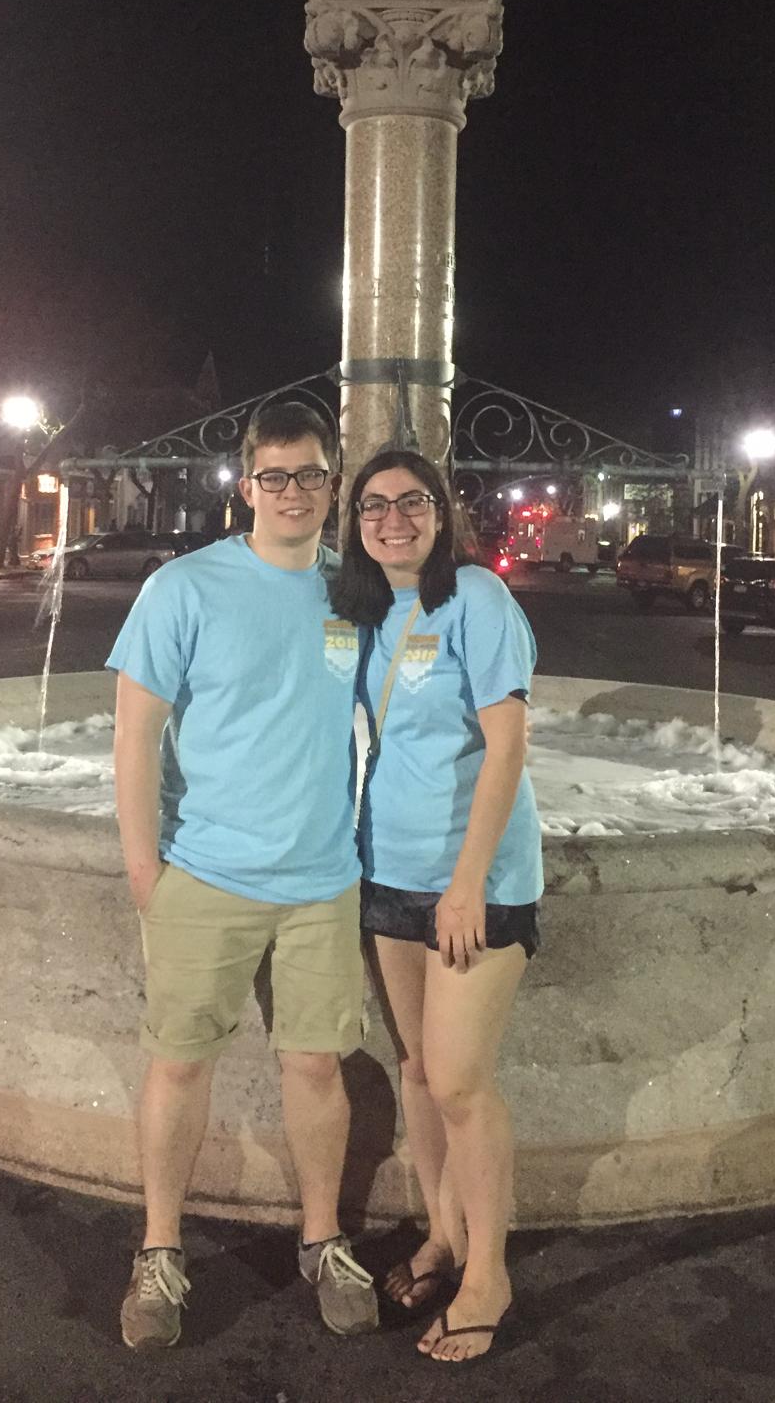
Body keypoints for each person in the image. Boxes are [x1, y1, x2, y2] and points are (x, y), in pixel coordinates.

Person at [107, 399, 378, 1352]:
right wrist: (145, 869)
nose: (293, 492)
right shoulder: (185, 587)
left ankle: (323, 1239)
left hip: (322, 878)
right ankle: (159, 1250)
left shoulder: (355, 591)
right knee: (180, 1061)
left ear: (332, 483)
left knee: (317, 1065)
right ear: (246, 485)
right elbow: (134, 736)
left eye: (310, 475)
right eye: (274, 476)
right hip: (206, 870)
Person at [332, 447, 541, 1366]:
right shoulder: (367, 612)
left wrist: (467, 883)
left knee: (459, 1081)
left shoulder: (478, 600)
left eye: (412, 501)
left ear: (443, 510)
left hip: (473, 883)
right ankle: (444, 1236)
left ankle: (488, 1274)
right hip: (388, 871)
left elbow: (507, 746)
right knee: (419, 1072)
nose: (394, 519)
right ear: (356, 525)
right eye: (374, 506)